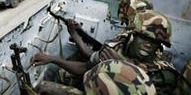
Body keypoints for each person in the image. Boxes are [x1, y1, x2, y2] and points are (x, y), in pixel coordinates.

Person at [31, 10, 179, 94]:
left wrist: (124, 69)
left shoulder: (163, 75)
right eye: (144, 37)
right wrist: (52, 59)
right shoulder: (119, 47)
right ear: (133, 35)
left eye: (155, 42)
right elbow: (86, 67)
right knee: (45, 86)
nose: (148, 44)